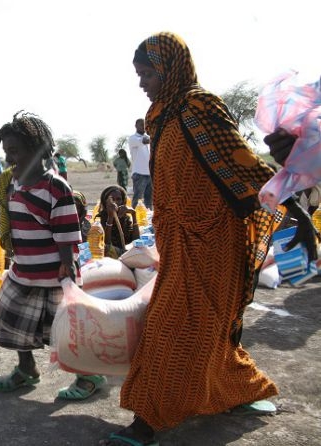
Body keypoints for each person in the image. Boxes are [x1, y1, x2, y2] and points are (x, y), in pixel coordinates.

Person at [97, 32, 319, 446]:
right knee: (208, 329)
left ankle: (147, 422)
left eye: (147, 74)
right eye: (139, 74)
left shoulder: (200, 107)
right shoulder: (160, 114)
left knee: (173, 329)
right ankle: (241, 389)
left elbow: (242, 162)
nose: (142, 82)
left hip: (214, 242)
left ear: (170, 69)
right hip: (179, 243)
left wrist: (297, 212)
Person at [0, 111, 105, 401]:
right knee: (11, 315)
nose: (9, 159)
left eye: (14, 151)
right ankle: (27, 369)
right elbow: (4, 215)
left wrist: (66, 266)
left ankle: (88, 376)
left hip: (55, 273)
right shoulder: (12, 183)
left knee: (67, 330)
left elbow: (66, 231)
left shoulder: (55, 187)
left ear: (36, 151)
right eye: (6, 151)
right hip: (24, 270)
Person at [96, 185, 140, 258]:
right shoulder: (100, 219)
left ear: (123, 201)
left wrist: (134, 215)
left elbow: (136, 241)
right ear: (105, 202)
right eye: (112, 199)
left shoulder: (125, 218)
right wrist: (110, 218)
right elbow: (107, 244)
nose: (115, 203)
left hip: (126, 253)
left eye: (118, 199)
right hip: (110, 256)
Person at [128, 118, 152, 209]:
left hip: (149, 173)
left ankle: (148, 220)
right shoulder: (133, 138)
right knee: (138, 200)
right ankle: (134, 220)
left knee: (149, 201)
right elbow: (145, 140)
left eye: (145, 125)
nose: (144, 127)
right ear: (136, 126)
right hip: (139, 174)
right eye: (141, 125)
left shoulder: (148, 137)